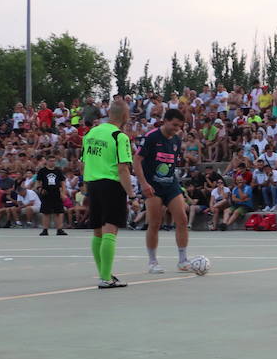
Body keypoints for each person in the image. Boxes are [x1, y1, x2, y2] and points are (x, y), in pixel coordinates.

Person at [81, 99, 136, 288]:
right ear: (125, 116)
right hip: (111, 185)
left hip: (93, 184)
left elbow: (84, 162)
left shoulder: (91, 133)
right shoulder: (119, 137)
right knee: (110, 230)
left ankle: (104, 274)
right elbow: (123, 169)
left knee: (97, 232)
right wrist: (132, 195)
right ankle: (105, 278)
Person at [135, 108, 194, 273]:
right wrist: (143, 183)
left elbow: (171, 163)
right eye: (174, 125)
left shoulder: (176, 140)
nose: (177, 129)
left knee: (182, 218)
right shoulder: (151, 137)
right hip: (153, 185)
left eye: (179, 126)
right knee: (154, 222)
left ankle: (183, 260)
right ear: (165, 120)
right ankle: (152, 262)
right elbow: (137, 160)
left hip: (171, 184)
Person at [30, 152, 67, 236]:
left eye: (54, 161)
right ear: (46, 161)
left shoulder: (58, 170)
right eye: (50, 161)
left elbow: (63, 182)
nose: (52, 162)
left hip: (57, 192)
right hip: (46, 192)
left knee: (59, 212)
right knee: (46, 212)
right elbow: (38, 182)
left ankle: (59, 229)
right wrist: (39, 189)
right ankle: (45, 230)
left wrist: (63, 193)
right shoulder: (42, 171)